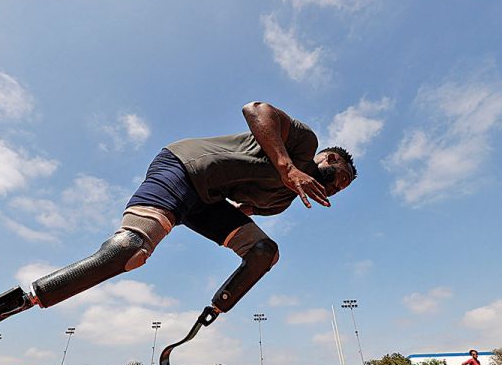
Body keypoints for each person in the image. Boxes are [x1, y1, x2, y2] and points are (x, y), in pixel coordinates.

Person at [26, 101, 357, 327]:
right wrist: (286, 167)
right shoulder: (304, 144)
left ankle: (214, 309)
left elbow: (242, 212)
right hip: (184, 167)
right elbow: (256, 109)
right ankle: (29, 298)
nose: (336, 188)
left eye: (341, 191)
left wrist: (244, 219)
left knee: (264, 252)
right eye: (339, 178)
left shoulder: (282, 202)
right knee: (131, 250)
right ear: (326, 158)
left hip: (206, 201)